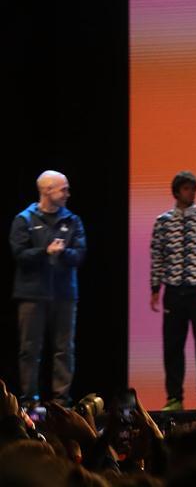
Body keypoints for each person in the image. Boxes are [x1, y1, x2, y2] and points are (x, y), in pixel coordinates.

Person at [9, 170, 87, 405]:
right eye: (63, 189)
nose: (67, 194)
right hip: (32, 294)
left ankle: (61, 401)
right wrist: (46, 252)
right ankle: (29, 400)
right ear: (47, 191)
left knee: (64, 349)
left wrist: (64, 252)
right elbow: (19, 254)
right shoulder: (24, 219)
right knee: (30, 349)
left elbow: (80, 254)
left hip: (65, 295)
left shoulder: (72, 220)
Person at [150, 171, 196, 411]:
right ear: (177, 191)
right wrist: (155, 289)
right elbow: (157, 256)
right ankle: (174, 398)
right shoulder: (163, 221)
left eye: (193, 189)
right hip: (173, 291)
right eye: (186, 189)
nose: (191, 193)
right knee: (172, 347)